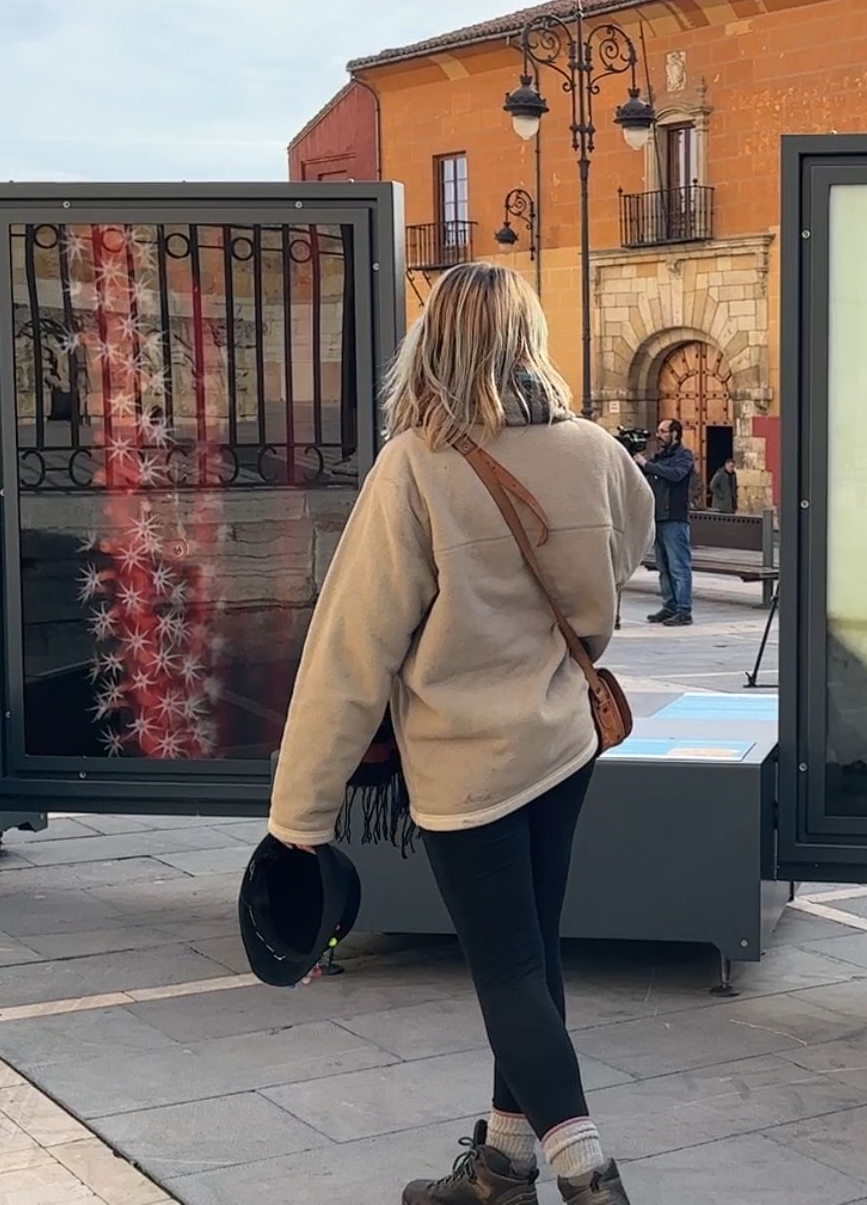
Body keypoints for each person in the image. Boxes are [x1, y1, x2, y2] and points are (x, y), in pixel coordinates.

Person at [266, 262, 652, 1205]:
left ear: (431, 342)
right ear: (529, 338)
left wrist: (297, 820)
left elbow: (352, 650)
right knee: (534, 952)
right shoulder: (594, 450)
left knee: (508, 965)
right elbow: (631, 543)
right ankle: (500, 1168)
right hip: (562, 742)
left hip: (462, 763)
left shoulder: (415, 464)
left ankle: (586, 1172)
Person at [636, 418, 694, 626]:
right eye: (658, 431)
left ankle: (684, 611)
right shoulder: (659, 457)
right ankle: (669, 606)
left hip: (675, 519)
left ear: (675, 434)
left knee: (679, 566)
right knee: (664, 567)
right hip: (658, 518)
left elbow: (676, 475)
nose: (658, 435)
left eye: (663, 431)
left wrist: (647, 465)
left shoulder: (684, 456)